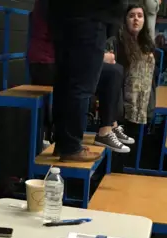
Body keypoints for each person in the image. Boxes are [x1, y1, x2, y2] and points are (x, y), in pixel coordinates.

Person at [48, 0, 124, 162]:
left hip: (64, 15)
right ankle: (71, 147)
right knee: (81, 86)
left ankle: (63, 144)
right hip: (91, 15)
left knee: (65, 82)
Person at [116, 4, 156, 125]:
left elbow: (151, 80)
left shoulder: (148, 45)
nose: (136, 19)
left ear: (144, 20)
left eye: (140, 16)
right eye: (132, 16)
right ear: (125, 19)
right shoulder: (118, 42)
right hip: (122, 104)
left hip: (143, 105)